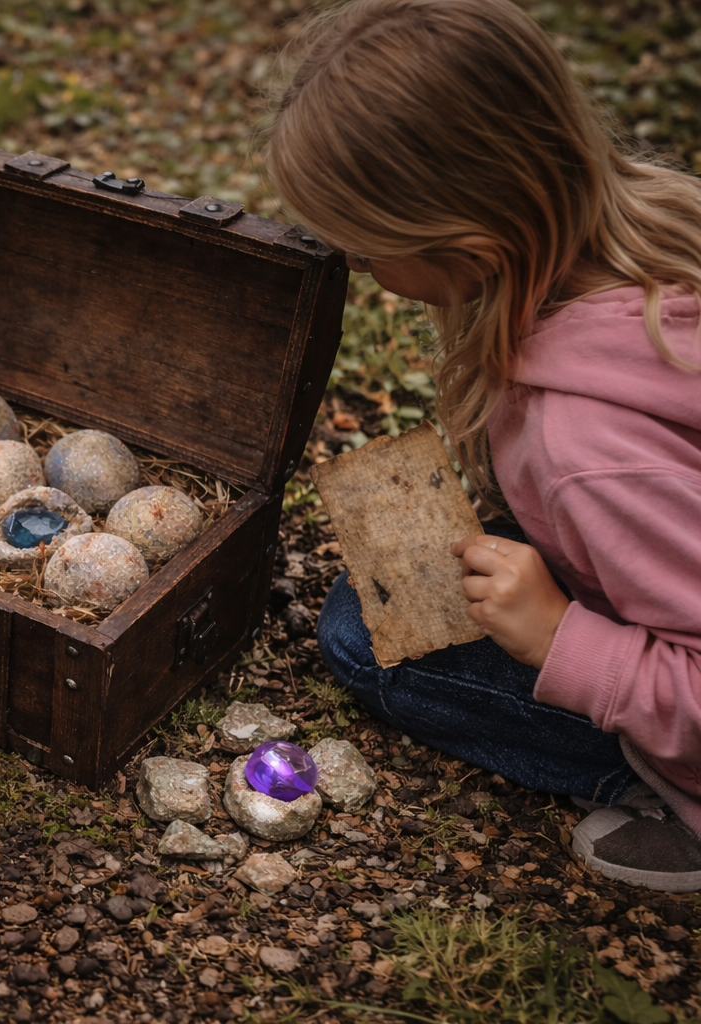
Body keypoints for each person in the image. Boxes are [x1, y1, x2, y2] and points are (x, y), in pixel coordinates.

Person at [265, 0, 701, 891]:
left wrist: (562, 636)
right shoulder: (668, 225)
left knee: (360, 635)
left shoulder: (585, 446)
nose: (360, 271)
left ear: (466, 249)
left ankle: (667, 800)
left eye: (365, 254)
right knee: (399, 583)